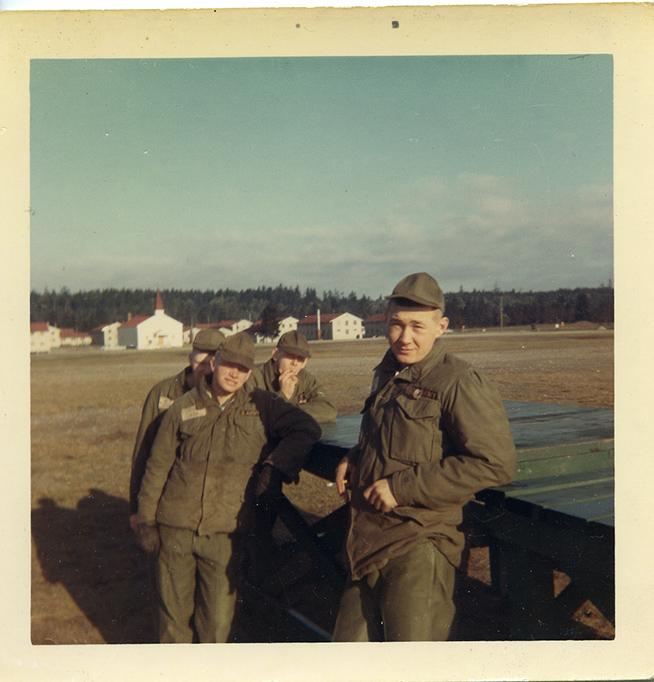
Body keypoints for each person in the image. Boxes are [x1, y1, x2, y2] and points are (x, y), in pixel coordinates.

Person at [332, 272, 516, 642]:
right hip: (369, 541)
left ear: (441, 327)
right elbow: (394, 438)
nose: (405, 337)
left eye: (417, 326)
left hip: (419, 542)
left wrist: (401, 488)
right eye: (396, 324)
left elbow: (495, 462)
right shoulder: (388, 371)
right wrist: (356, 456)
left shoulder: (458, 380)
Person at [135, 332, 322, 643]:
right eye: (229, 365)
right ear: (215, 363)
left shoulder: (262, 405)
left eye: (243, 368)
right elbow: (157, 466)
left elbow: (306, 427)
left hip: (224, 533)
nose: (235, 373)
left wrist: (274, 467)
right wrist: (145, 520)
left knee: (217, 623)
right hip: (176, 528)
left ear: (250, 372)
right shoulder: (182, 407)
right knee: (173, 621)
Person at [128, 328, 225, 532]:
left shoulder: (226, 397)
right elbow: (142, 451)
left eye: (211, 365)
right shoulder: (162, 392)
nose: (205, 370)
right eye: (200, 363)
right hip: (166, 495)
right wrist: (136, 508)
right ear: (190, 359)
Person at [253, 330, 337, 423]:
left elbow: (329, 411)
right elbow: (250, 418)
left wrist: (291, 409)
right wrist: (283, 395)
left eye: (300, 359)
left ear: (305, 363)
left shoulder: (306, 379)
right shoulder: (253, 376)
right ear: (275, 354)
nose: (295, 363)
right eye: (290, 356)